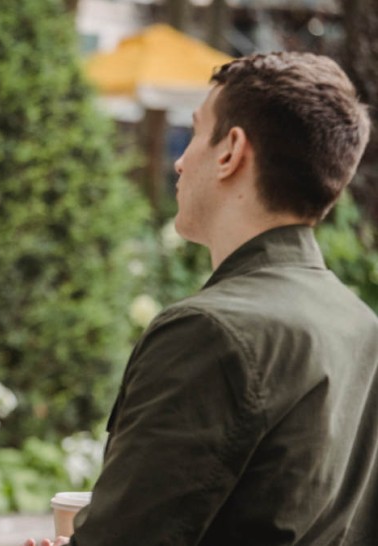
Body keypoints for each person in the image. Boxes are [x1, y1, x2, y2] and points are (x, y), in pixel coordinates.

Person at [27, 51, 377, 545]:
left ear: (231, 150)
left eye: (194, 131)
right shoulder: (360, 324)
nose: (179, 159)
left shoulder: (211, 330)